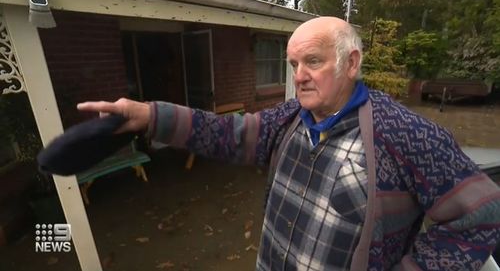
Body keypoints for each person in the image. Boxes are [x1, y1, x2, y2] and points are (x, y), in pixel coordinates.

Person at [77, 17, 500, 270]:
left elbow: (482, 216)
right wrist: (149, 116)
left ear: (351, 62)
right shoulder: (289, 119)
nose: (298, 75)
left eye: (313, 61)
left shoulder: (407, 134)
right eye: (294, 64)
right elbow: (228, 134)